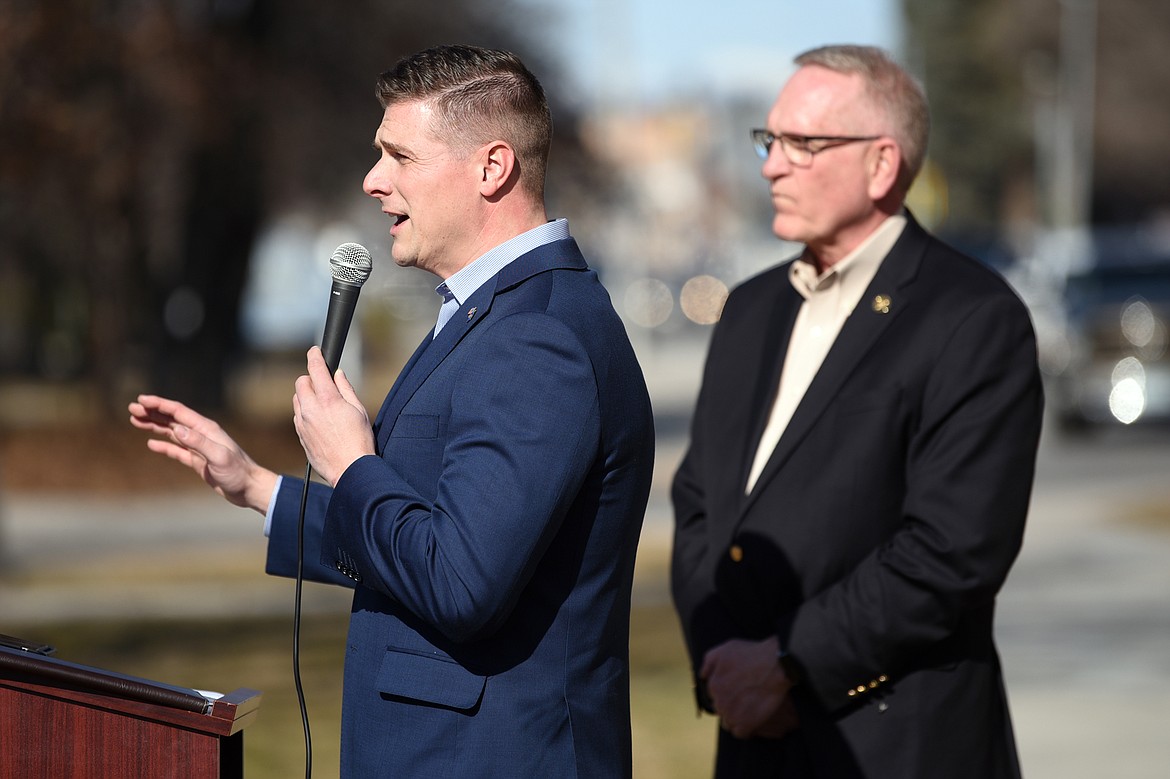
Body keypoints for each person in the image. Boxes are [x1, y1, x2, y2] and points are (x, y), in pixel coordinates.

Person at [130, 45, 654, 778]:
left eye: (398, 155)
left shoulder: (539, 336)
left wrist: (352, 461)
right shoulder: (491, 315)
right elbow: (423, 531)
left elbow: (459, 581)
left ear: (491, 167)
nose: (374, 181)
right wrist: (257, 486)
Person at [670, 44, 1043, 778]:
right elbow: (698, 507)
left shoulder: (972, 317)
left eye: (803, 143)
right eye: (768, 140)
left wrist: (785, 662)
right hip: (753, 741)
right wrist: (726, 663)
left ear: (882, 164)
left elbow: (952, 551)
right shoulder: (748, 309)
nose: (772, 164)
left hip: (897, 743)